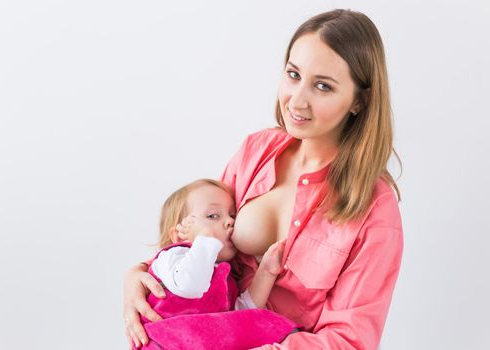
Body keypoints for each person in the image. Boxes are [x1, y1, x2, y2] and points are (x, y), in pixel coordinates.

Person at [124, 9, 403, 349]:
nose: (297, 100)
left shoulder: (375, 207)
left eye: (322, 86)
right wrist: (138, 276)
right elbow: (198, 233)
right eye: (293, 74)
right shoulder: (255, 151)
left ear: (359, 100)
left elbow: (350, 339)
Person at [134, 178, 296, 349]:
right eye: (212, 216)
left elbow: (240, 313)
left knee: (270, 326)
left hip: (204, 342)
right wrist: (204, 238)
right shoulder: (171, 257)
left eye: (232, 215)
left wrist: (266, 272)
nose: (230, 221)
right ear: (179, 235)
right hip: (167, 341)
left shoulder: (223, 276)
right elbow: (190, 286)